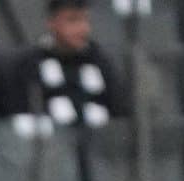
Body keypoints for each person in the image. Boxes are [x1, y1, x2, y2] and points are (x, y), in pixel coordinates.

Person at [13, 0, 130, 128]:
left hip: (98, 142)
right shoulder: (30, 63)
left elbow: (119, 112)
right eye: (72, 20)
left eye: (85, 20)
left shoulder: (100, 61)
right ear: (51, 23)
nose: (83, 28)